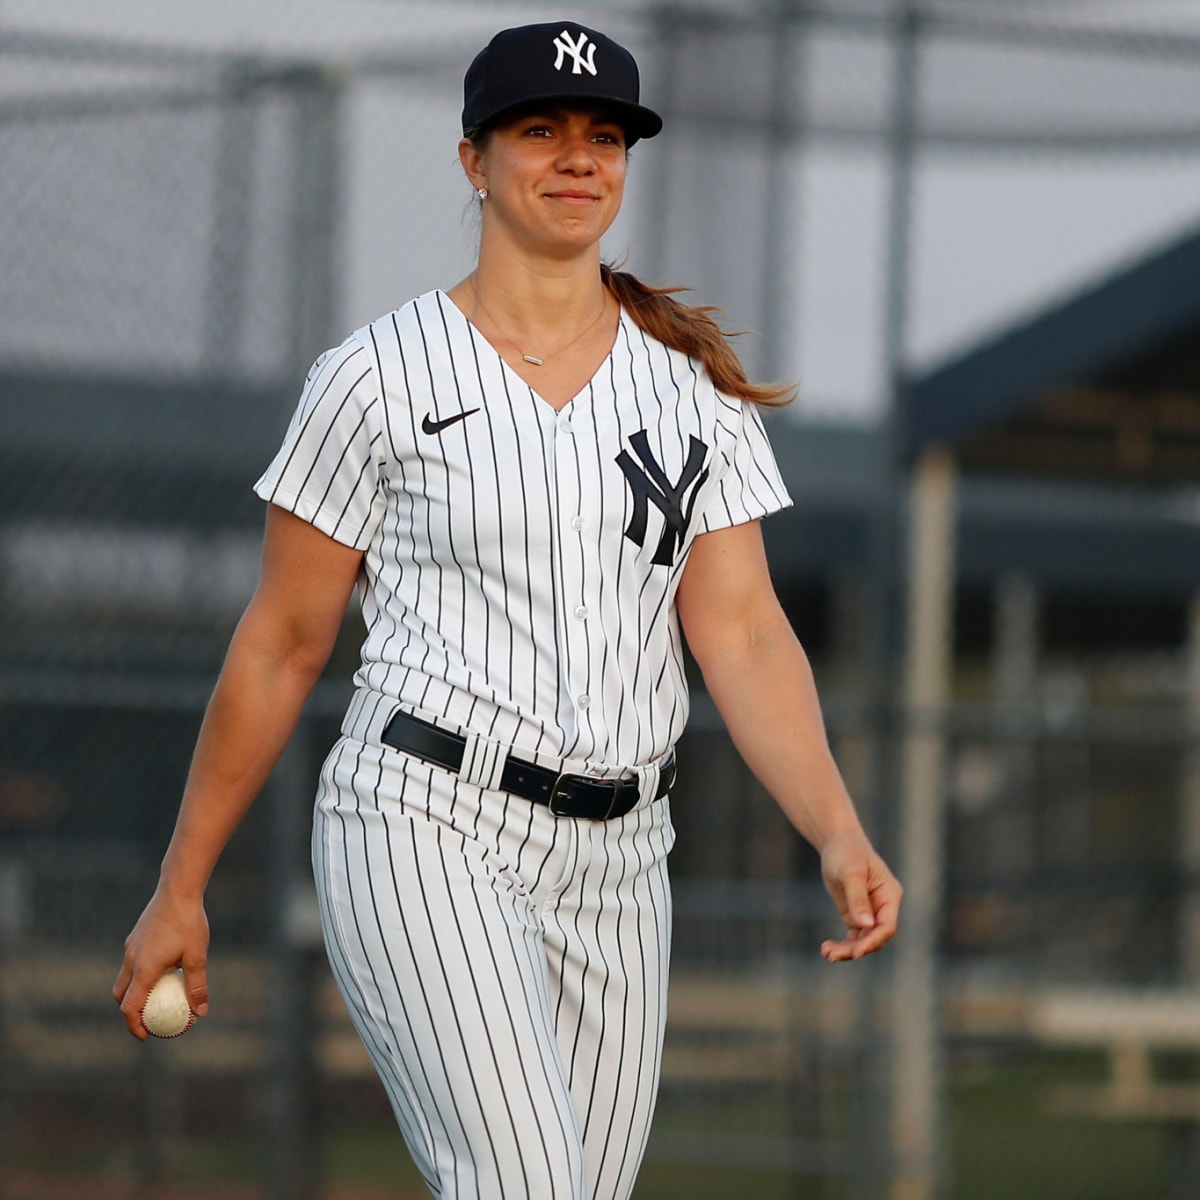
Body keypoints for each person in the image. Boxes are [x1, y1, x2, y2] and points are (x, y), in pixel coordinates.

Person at [114, 19, 901, 1200]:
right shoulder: (376, 377)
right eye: (541, 131)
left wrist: (837, 828)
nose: (578, 157)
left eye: (604, 135)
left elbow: (740, 631)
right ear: (475, 159)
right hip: (429, 819)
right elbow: (282, 644)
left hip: (625, 860)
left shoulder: (694, 391)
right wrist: (183, 887)